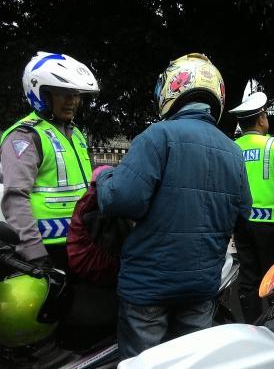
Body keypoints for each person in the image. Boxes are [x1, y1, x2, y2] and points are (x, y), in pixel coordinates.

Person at [95, 53, 251, 358]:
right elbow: (242, 212)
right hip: (202, 286)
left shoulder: (157, 136)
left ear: (171, 91)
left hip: (148, 287)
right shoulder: (234, 152)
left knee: (145, 363)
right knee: (190, 362)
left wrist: (103, 178)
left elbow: (120, 199)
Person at [0, 52, 99, 270]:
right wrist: (33, 252)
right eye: (64, 93)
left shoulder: (75, 133)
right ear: (41, 94)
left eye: (76, 94)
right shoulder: (25, 136)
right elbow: (15, 198)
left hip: (80, 244)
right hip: (47, 250)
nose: (73, 101)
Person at [230, 91, 274, 323]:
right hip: (273, 224)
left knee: (248, 274)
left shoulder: (233, 147)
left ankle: (251, 322)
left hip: (241, 221)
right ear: (262, 118)